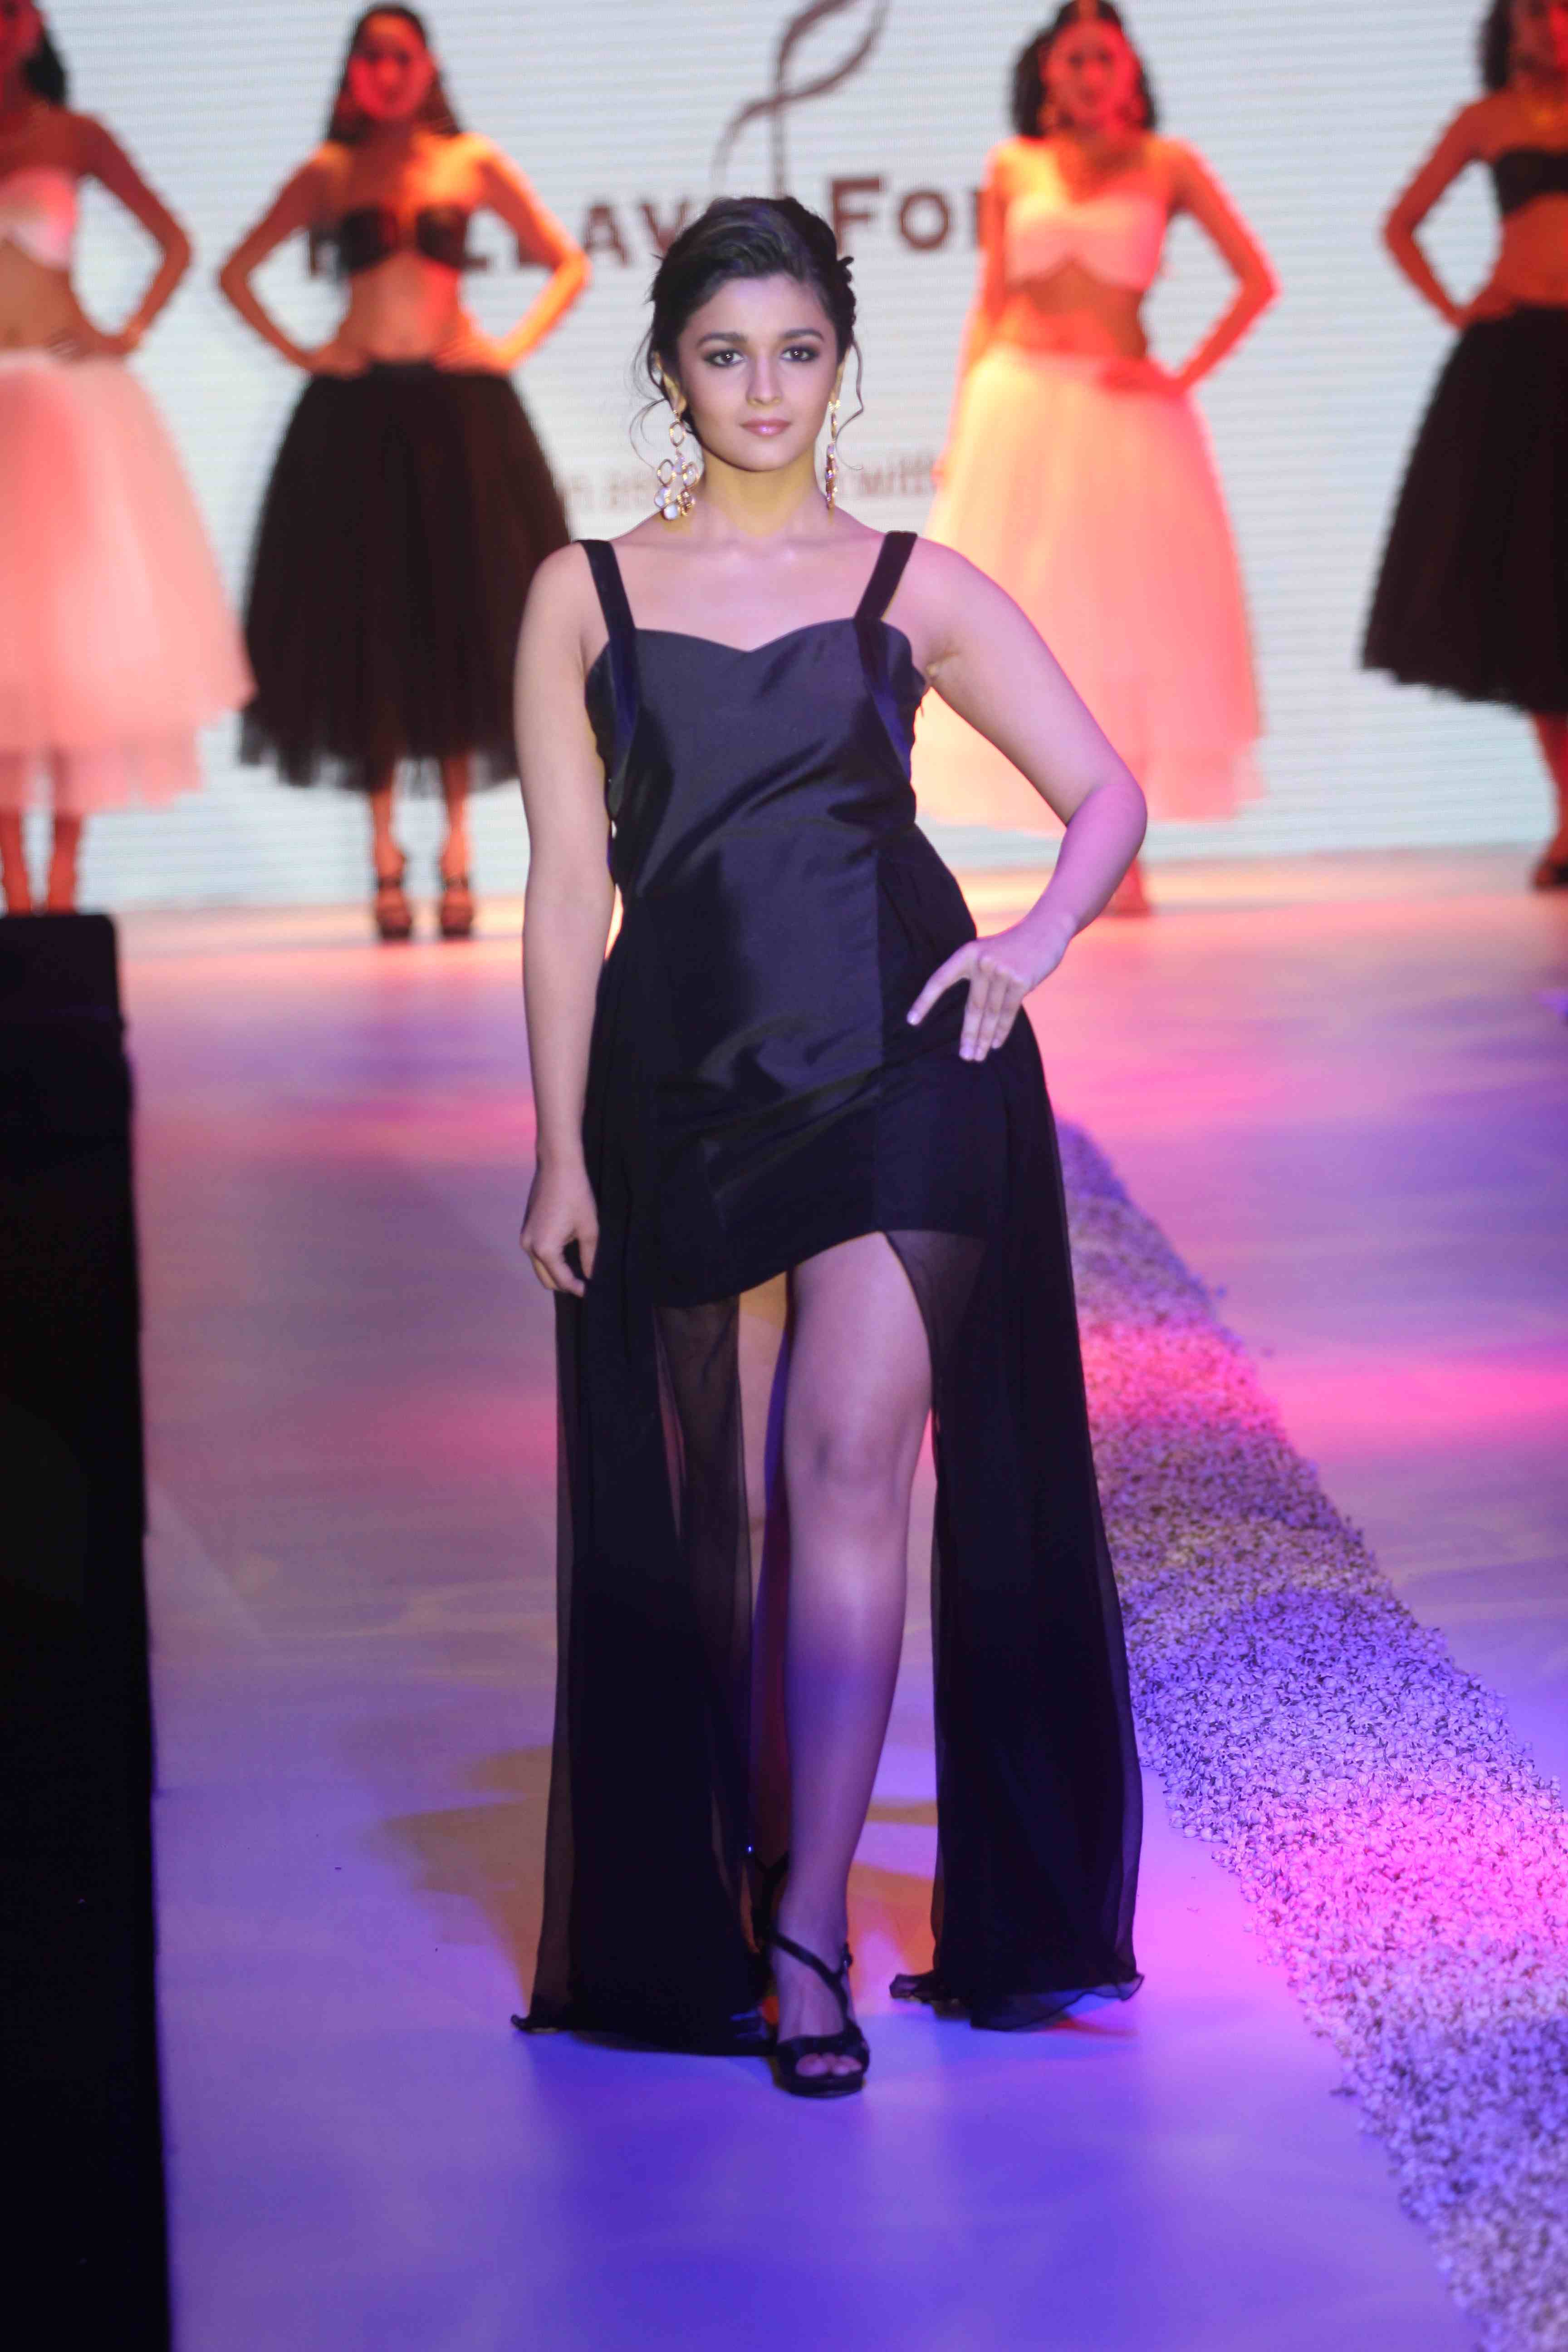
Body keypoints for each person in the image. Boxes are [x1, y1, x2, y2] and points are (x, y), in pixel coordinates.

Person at [514, 196, 1145, 2097]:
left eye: (797, 352)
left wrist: (1031, 943)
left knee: (848, 1463)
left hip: (901, 1062)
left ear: (841, 365)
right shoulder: (582, 595)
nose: (764, 388)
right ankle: (733, 1866)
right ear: (669, 369)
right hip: (682, 1078)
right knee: (727, 1508)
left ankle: (803, 1938)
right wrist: (557, 1150)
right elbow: (565, 889)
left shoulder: (909, 584)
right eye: (726, 354)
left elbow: (1105, 790)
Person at [219, 6, 587, 940]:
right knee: (368, 627)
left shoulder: (469, 162)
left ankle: (458, 851)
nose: (386, 71)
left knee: (462, 623)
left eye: (401, 55)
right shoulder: (331, 173)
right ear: (353, 72)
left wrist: (507, 349)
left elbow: (567, 263)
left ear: (427, 66)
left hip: (459, 414)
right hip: (355, 420)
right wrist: (307, 353)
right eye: (370, 56)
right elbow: (236, 271)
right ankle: (385, 855)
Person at [916, 0, 1274, 916]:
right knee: (1044, 633)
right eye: (1072, 59)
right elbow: (989, 304)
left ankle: (1125, 856)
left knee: (1133, 635)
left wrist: (1181, 376)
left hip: (1124, 418)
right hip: (1019, 405)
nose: (1087, 76)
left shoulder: (1167, 164)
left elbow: (1255, 279)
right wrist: (959, 432)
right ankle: (1089, 847)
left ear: (1130, 69)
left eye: (1102, 59)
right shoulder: (1014, 165)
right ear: (1048, 72)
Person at [0, 1, 249, 915]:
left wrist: (126, 330)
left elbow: (174, 241)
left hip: (65, 402)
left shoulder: (76, 136)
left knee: (72, 642)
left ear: (32, 26)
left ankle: (63, 877)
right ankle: (15, 887)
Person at [1364, 0, 1568, 891]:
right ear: (1510, 25)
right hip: (1520, 359)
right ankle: (1567, 822)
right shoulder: (1487, 120)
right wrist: (1457, 307)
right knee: (1537, 599)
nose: (1552, 24)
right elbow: (1401, 223)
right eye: (1535, 10)